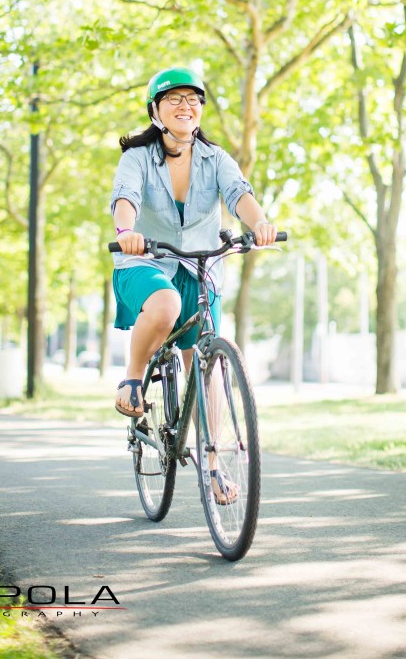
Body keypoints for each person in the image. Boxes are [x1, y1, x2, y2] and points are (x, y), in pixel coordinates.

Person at [110, 66, 278, 502]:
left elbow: (240, 194)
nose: (186, 106)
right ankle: (131, 379)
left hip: (201, 269)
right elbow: (125, 196)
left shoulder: (215, 159)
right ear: (155, 111)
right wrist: (127, 230)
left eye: (193, 100)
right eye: (174, 99)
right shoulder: (137, 158)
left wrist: (258, 223)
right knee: (165, 305)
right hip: (145, 263)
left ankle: (213, 466)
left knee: (210, 371)